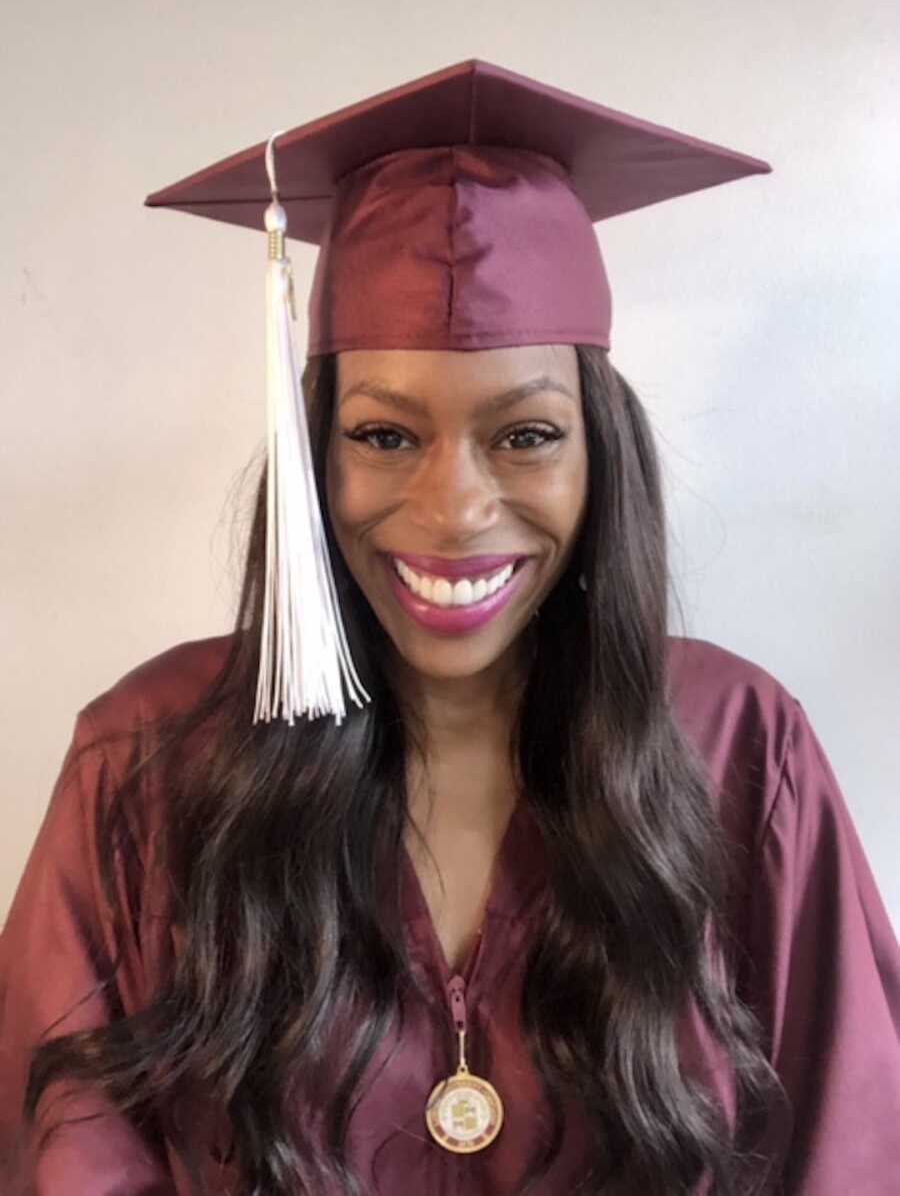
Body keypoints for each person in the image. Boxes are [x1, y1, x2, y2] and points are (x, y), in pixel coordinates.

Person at [1, 59, 899, 1196]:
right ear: (313, 448)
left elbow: (852, 1146)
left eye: (525, 436)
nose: (455, 512)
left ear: (600, 455)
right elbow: (70, 1156)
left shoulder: (739, 750)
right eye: (384, 436)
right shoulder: (145, 761)